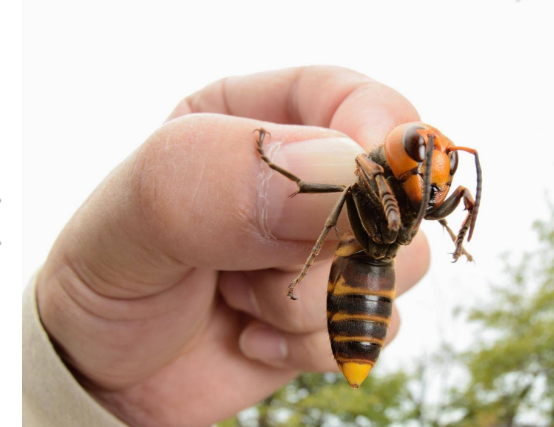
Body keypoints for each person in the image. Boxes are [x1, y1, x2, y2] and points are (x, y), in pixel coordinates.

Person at [22, 66, 431, 427]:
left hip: (370, 277)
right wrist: (68, 389)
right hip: (360, 280)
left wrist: (82, 401)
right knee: (344, 189)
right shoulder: (368, 165)